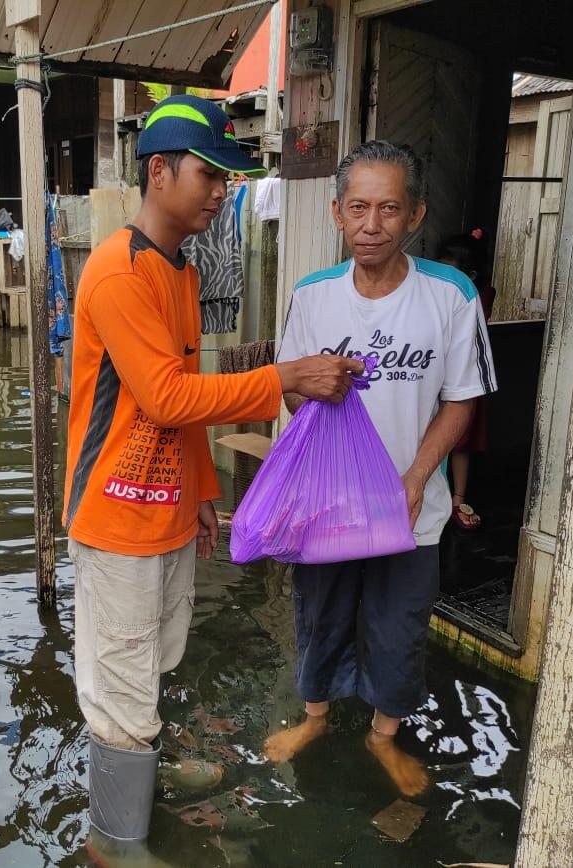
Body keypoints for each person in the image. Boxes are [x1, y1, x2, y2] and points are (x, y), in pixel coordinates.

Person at [64, 94, 367, 844]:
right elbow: (166, 397)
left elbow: (185, 398)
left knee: (154, 661)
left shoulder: (183, 273)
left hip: (165, 506)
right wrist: (288, 376)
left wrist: (202, 491)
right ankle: (114, 842)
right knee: (122, 685)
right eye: (209, 174)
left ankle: (133, 788)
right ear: (159, 172)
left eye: (227, 177)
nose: (219, 190)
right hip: (115, 516)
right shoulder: (118, 273)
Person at [265, 141, 498, 797]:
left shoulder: (450, 296)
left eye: (389, 208)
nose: (372, 224)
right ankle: (314, 718)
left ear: (415, 214)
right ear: (338, 213)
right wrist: (311, 387)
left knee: (398, 628)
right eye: (359, 208)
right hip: (327, 505)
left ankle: (382, 736)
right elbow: (287, 391)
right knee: (320, 617)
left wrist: (419, 477)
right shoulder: (313, 296)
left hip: (408, 509)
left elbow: (463, 397)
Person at [436, 230, 496, 530]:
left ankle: (457, 498)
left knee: (460, 441)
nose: (444, 278)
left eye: (451, 272)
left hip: (464, 379)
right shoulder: (433, 295)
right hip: (434, 377)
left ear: (469, 276)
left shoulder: (477, 297)